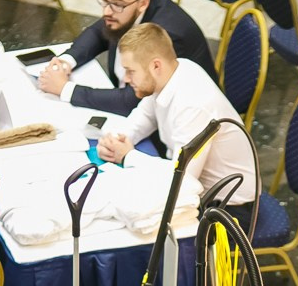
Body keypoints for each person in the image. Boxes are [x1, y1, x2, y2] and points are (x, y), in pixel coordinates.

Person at [96, 23, 257, 209]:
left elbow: (182, 179)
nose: (125, 79)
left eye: (131, 71)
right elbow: (144, 115)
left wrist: (127, 156)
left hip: (229, 206)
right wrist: (115, 140)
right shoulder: (173, 71)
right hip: (198, 188)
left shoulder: (193, 104)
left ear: (156, 65)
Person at [37, 0, 216, 116]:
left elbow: (133, 100)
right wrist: (66, 62)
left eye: (116, 5)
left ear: (143, 3)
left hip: (176, 123)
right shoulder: (128, 8)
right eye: (104, 1)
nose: (106, 11)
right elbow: (98, 32)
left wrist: (65, 89)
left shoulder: (165, 35)